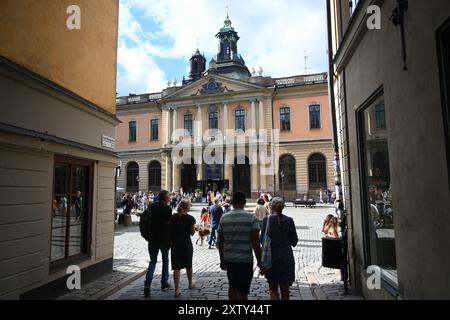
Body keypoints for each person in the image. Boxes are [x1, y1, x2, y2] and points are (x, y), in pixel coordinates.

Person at [218, 191, 265, 300]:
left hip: (230, 259)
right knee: (243, 291)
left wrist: (222, 259)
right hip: (245, 260)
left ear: (232, 202)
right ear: (244, 202)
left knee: (232, 286)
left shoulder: (224, 218)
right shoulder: (251, 217)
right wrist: (259, 261)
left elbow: (221, 241)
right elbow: (255, 241)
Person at [261, 197, 298, 300]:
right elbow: (294, 242)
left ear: (271, 206)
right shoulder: (289, 220)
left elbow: (262, 240)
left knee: (273, 289)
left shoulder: (266, 220)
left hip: (271, 260)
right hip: (286, 259)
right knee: (285, 290)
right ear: (283, 207)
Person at [143, 190, 172, 297]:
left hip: (152, 239)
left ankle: (147, 284)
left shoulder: (151, 207)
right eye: (168, 197)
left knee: (153, 262)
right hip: (164, 240)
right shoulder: (167, 209)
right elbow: (169, 225)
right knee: (165, 261)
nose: (170, 198)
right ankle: (164, 283)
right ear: (165, 198)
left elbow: (145, 221)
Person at [166, 199, 196, 297]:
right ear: (186, 207)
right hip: (186, 244)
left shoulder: (173, 217)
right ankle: (190, 283)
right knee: (188, 265)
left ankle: (177, 289)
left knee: (177, 267)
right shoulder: (190, 218)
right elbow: (192, 233)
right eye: (189, 206)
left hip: (175, 244)